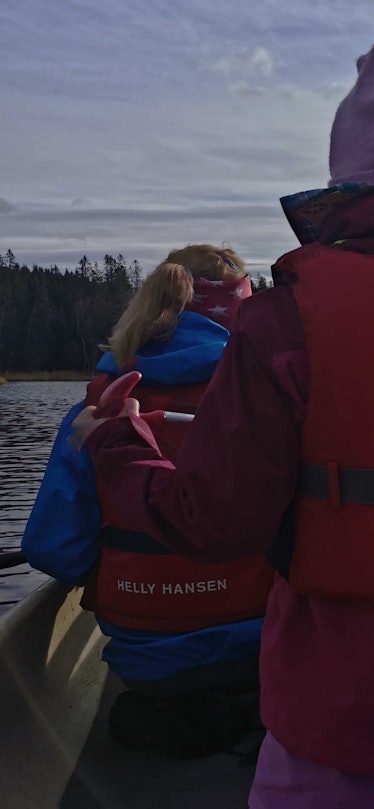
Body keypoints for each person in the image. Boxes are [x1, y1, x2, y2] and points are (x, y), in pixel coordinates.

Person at [72, 42, 374, 807]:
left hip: (335, 720)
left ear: (344, 195)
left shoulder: (280, 327)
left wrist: (116, 443)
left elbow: (214, 523)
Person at [22, 245, 273, 758]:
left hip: (146, 664)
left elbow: (54, 551)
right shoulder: (267, 398)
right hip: (266, 649)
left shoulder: (95, 408)